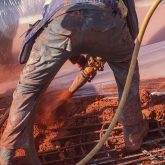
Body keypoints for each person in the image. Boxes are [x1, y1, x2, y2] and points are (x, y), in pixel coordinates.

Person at [0, 0, 149, 164]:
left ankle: (7, 152)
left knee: (27, 89)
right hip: (106, 21)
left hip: (62, 24)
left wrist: (77, 56)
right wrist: (114, 47)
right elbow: (133, 29)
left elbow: (57, 20)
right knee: (126, 70)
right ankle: (133, 134)